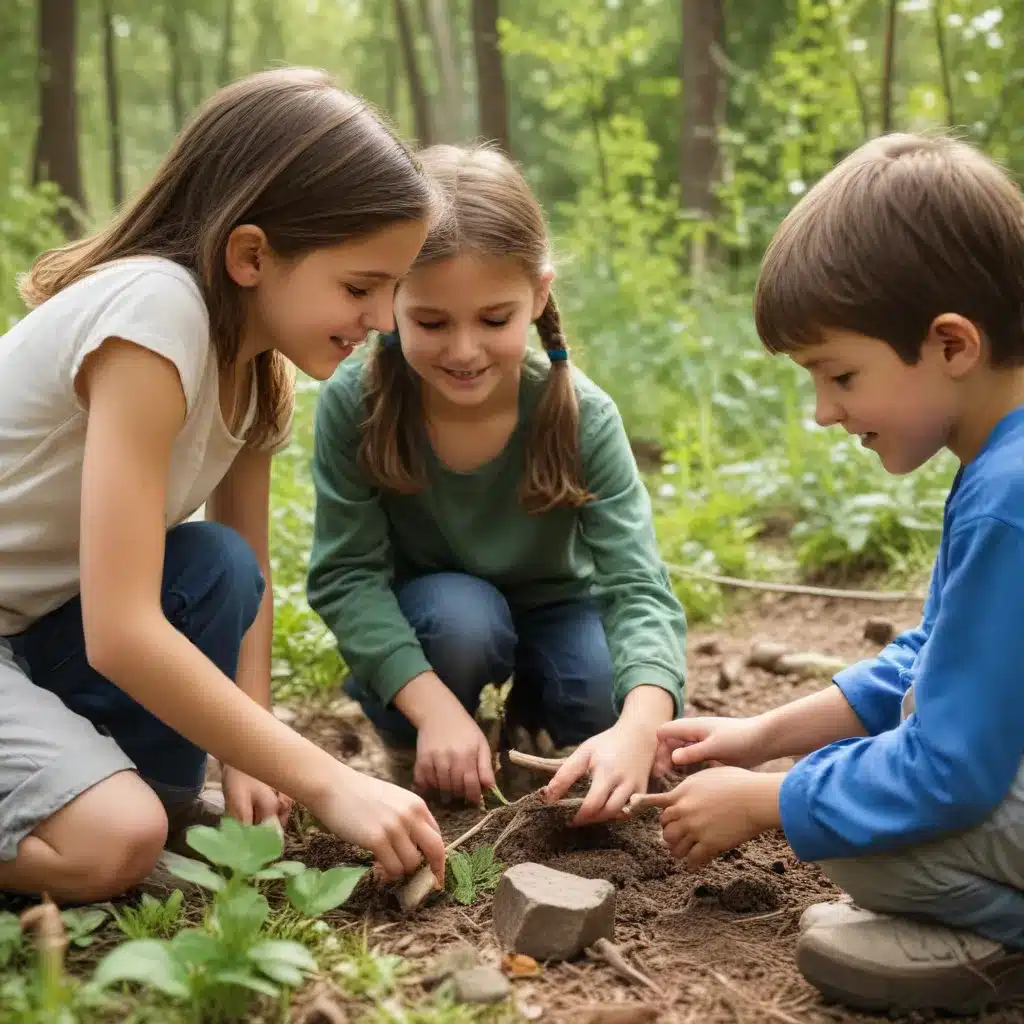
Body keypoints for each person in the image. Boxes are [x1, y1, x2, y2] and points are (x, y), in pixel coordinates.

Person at [0, 67, 448, 905]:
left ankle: (147, 797)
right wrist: (326, 781)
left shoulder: (254, 371)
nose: (384, 319)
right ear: (251, 255)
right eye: (360, 286)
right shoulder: (152, 312)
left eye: (393, 289)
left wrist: (250, 746)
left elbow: (242, 574)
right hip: (43, 634)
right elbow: (122, 631)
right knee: (114, 841)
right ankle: (112, 822)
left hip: (29, 634)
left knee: (217, 565)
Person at [638, 133, 1024, 1014]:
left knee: (851, 841)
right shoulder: (1004, 463)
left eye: (840, 373)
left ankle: (1004, 936)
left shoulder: (1010, 497)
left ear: (950, 343)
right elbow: (936, 654)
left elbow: (951, 772)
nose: (822, 411)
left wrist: (769, 801)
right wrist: (763, 735)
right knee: (846, 792)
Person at [306, 143, 687, 824]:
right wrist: (436, 710)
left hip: (555, 611)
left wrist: (642, 724)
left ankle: (532, 729)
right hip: (433, 627)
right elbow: (347, 577)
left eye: (494, 319)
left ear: (538, 295)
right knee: (460, 618)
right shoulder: (355, 403)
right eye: (430, 322)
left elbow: (637, 589)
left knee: (604, 687)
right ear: (392, 296)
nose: (462, 351)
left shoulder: (578, 415)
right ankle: (417, 740)